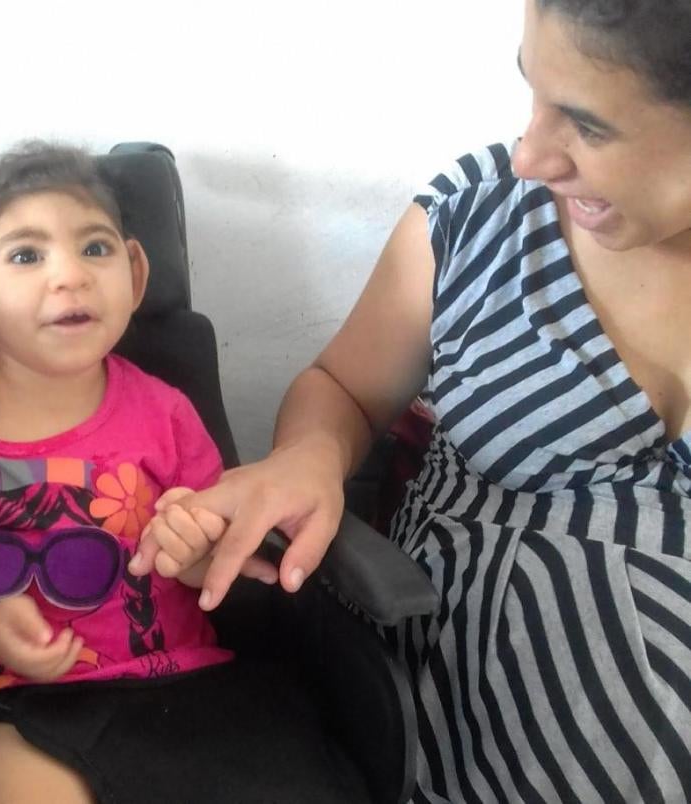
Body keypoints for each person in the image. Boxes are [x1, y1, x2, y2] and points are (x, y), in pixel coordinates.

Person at [136, 1, 691, 800]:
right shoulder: (480, 216)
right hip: (463, 714)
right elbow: (345, 389)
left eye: (588, 127)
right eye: (532, 90)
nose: (530, 155)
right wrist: (309, 458)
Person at [0, 142, 367, 804]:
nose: (69, 275)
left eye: (94, 248)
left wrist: (193, 549)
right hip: (12, 700)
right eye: (26, 255)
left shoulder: (166, 413)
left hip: (177, 683)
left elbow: (213, 549)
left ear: (136, 272)